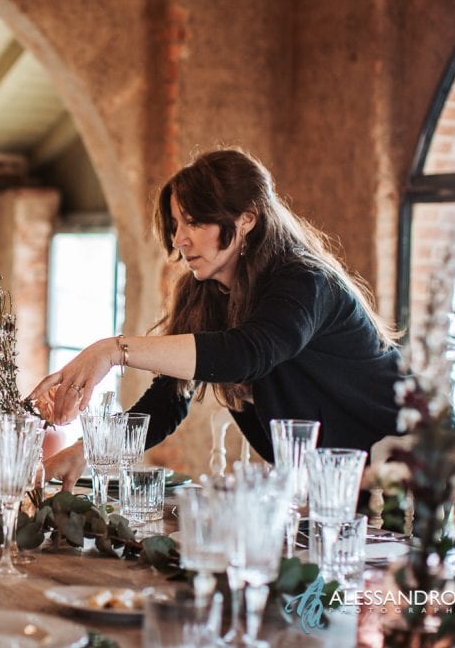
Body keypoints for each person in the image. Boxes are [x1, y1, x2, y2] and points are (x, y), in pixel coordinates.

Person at [30, 148, 403, 489]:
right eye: (175, 225)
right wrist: (86, 451)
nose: (179, 240)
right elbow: (166, 402)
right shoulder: (207, 293)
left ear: (246, 221)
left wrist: (113, 351)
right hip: (333, 488)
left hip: (402, 475)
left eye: (194, 222)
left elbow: (244, 354)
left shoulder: (304, 282)